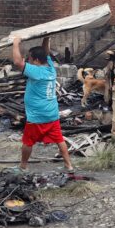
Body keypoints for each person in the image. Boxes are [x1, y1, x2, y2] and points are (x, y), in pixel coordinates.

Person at [12, 36, 74, 173]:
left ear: (36, 60)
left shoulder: (36, 71)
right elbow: (46, 53)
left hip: (37, 116)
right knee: (59, 139)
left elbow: (17, 62)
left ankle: (23, 166)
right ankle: (69, 165)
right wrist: (47, 37)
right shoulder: (50, 67)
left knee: (28, 141)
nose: (28, 61)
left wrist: (16, 43)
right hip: (52, 113)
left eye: (29, 58)